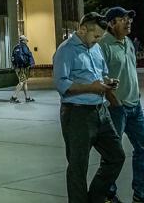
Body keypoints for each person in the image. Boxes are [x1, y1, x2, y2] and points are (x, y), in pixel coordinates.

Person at [52, 12, 125, 203]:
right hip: (77, 113)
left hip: (100, 110)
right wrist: (91, 87)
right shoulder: (66, 50)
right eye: (96, 36)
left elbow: (101, 73)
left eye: (100, 37)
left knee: (116, 156)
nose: (98, 40)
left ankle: (94, 198)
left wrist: (107, 82)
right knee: (78, 166)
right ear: (83, 29)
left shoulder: (95, 48)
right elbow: (62, 85)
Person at [98, 7, 144, 203]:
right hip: (115, 108)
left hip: (134, 106)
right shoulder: (103, 45)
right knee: (113, 153)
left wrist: (136, 93)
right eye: (122, 19)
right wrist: (115, 101)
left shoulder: (128, 42)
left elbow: (129, 70)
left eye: (129, 19)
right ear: (111, 23)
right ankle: (109, 195)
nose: (128, 22)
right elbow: (100, 76)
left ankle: (142, 193)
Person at [10, 35, 35, 103]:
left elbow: (12, 58)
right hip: (23, 67)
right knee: (21, 82)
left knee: (24, 82)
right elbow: (29, 55)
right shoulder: (24, 47)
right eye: (26, 40)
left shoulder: (15, 47)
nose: (27, 42)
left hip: (17, 67)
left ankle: (27, 97)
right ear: (24, 40)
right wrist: (31, 64)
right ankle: (13, 97)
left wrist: (14, 66)